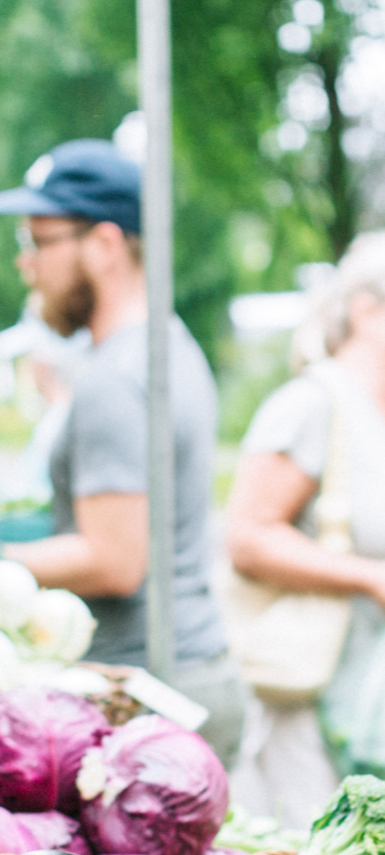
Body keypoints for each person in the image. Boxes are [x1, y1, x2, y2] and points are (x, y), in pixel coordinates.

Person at [227, 231, 385, 849]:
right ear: (367, 313)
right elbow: (247, 537)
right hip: (318, 716)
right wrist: (374, 577)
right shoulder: (312, 404)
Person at [0, 140, 244, 764]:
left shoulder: (113, 376)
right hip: (197, 670)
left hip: (147, 694)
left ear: (105, 245)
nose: (25, 265)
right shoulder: (169, 344)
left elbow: (113, 559)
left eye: (38, 242)